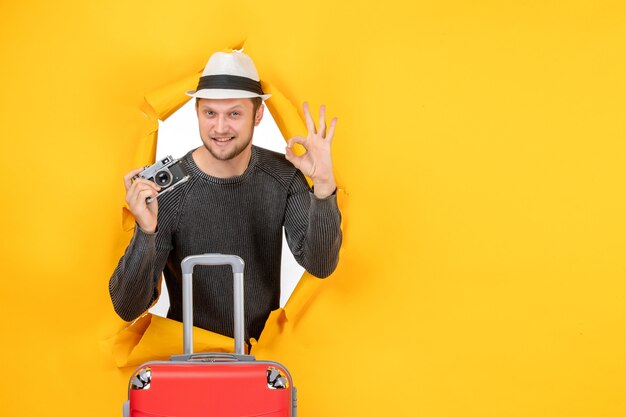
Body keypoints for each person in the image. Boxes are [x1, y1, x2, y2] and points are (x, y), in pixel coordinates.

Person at [109, 50, 342, 342]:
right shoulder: (167, 191)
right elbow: (127, 307)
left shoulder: (284, 177)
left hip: (260, 361)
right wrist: (145, 231)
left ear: (257, 115)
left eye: (234, 113)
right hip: (190, 362)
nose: (220, 128)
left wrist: (322, 186)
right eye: (210, 113)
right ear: (197, 112)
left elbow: (320, 265)